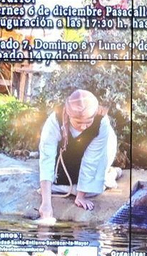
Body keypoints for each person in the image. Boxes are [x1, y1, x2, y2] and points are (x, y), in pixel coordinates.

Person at [37, 89, 119, 224]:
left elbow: (92, 160)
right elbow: (47, 157)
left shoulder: (102, 122)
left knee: (91, 191)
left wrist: (81, 196)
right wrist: (46, 203)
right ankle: (104, 177)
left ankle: (111, 174)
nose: (84, 127)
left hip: (99, 154)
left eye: (88, 121)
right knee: (52, 186)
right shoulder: (54, 121)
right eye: (78, 122)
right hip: (67, 154)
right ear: (69, 115)